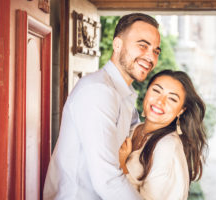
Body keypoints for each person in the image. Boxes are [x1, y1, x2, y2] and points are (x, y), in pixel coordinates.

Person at [43, 13, 161, 200]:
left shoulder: (124, 93)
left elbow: (138, 137)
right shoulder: (98, 91)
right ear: (117, 45)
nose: (151, 57)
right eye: (143, 45)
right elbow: (107, 180)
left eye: (156, 50)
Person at [119, 70, 208, 200]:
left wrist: (121, 165)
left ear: (181, 110)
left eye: (172, 98)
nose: (160, 101)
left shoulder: (167, 146)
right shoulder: (133, 129)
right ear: (147, 91)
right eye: (156, 91)